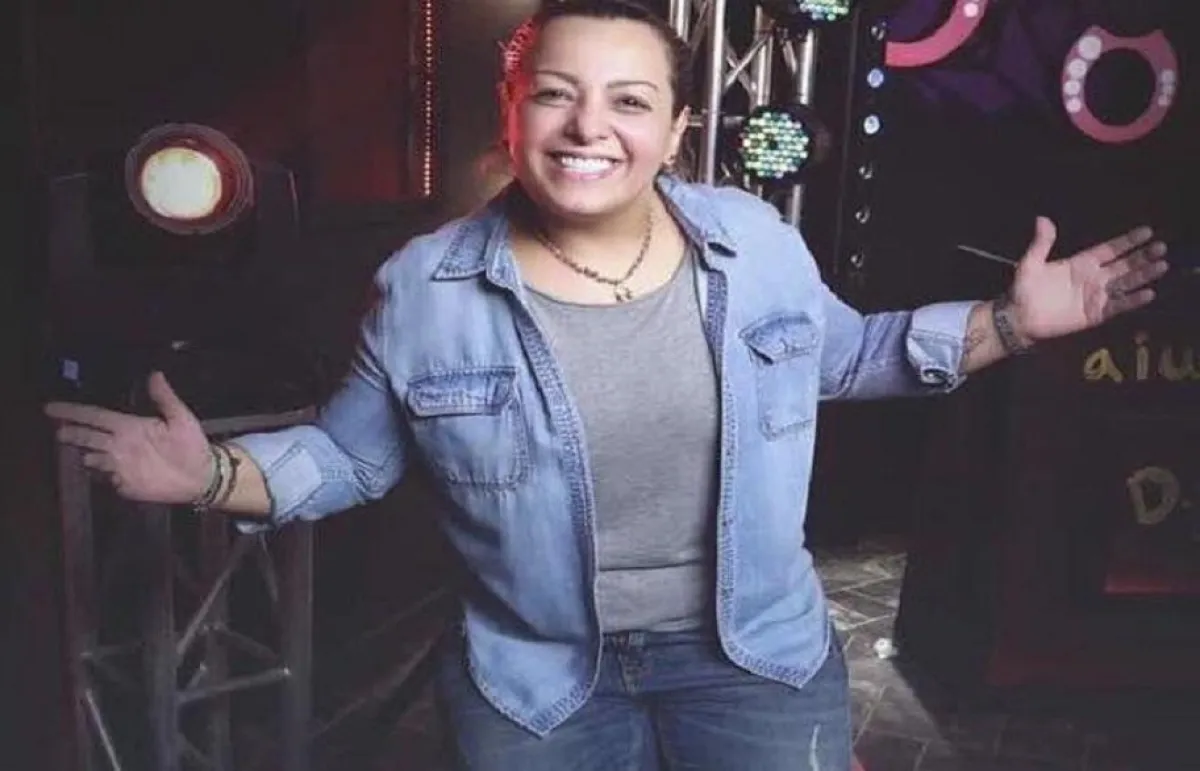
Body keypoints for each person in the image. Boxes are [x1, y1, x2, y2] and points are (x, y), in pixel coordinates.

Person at [45, 1, 1168, 768]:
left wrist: (1011, 322)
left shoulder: (753, 241)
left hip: (755, 662)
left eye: (630, 101)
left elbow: (852, 356)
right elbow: (350, 457)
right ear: (513, 109)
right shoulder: (426, 287)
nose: (590, 126)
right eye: (556, 94)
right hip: (535, 685)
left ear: (676, 130)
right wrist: (211, 476)